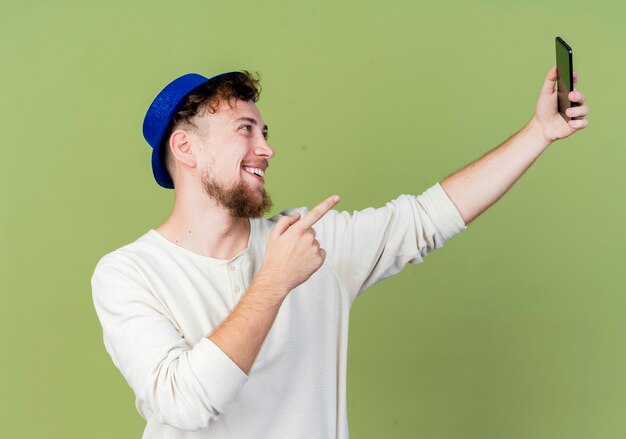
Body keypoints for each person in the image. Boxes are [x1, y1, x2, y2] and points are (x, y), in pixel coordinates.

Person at [91, 68, 589, 438]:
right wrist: (275, 279)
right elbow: (184, 402)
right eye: (245, 129)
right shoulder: (129, 273)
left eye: (265, 133)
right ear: (185, 147)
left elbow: (423, 219)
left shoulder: (309, 241)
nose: (266, 148)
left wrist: (538, 133)